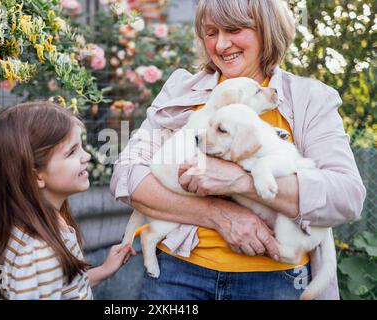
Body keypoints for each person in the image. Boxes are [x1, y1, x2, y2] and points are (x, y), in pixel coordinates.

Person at [110, 0, 366, 300]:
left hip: (274, 279)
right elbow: (127, 174)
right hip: (178, 275)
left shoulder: (310, 99)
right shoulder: (182, 89)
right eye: (210, 32)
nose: (220, 44)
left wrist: (240, 181)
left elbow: (347, 196)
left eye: (234, 29)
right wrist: (220, 214)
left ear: (266, 30)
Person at [0, 101, 136, 300]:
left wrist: (104, 270)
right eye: (72, 152)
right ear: (36, 176)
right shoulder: (40, 253)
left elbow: (66, 287)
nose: (87, 156)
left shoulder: (40, 227)